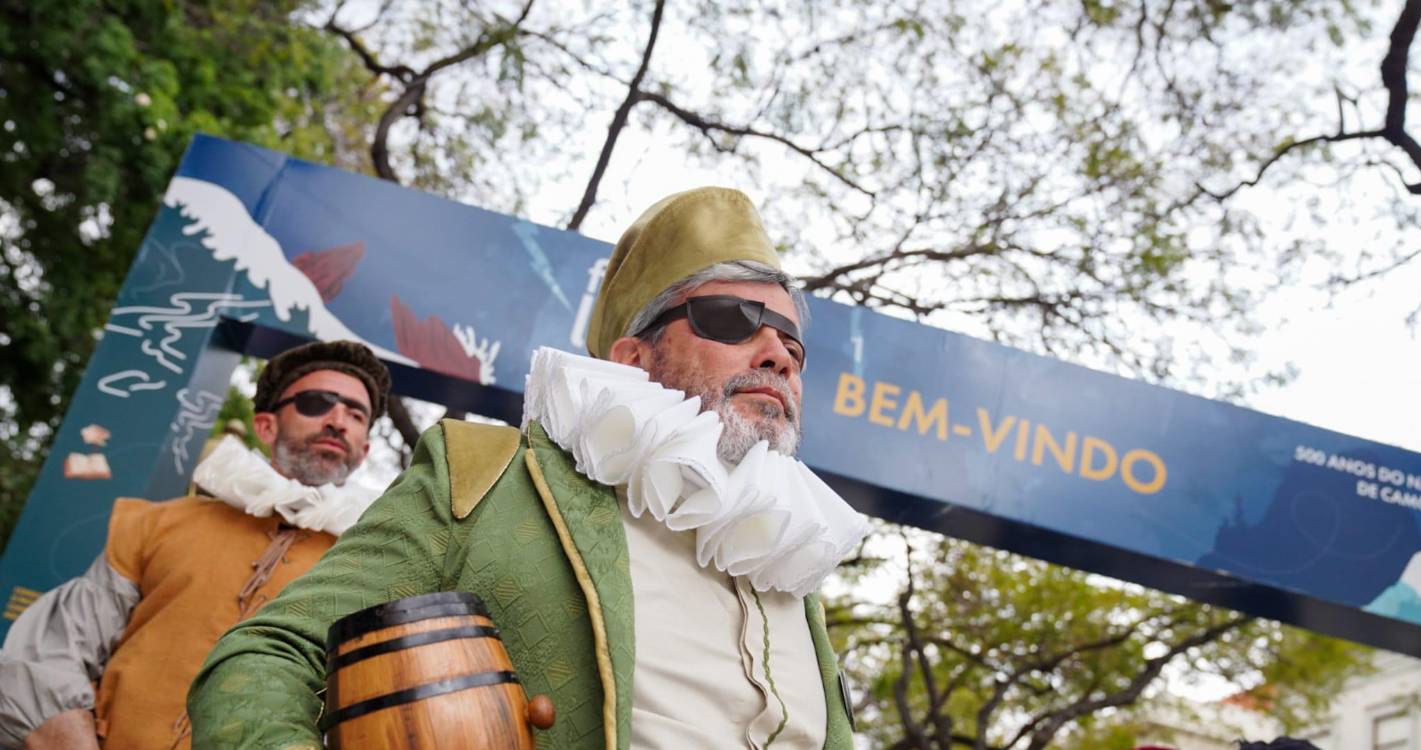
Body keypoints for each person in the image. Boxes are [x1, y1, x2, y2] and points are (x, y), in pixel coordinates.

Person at [186, 187, 870, 749]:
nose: (777, 353)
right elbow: (269, 655)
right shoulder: (484, 477)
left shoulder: (787, 555)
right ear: (631, 359)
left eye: (791, 342)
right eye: (733, 318)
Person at [0, 340, 391, 750]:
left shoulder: (373, 569)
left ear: (364, 449)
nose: (337, 420)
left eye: (355, 413)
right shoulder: (156, 524)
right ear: (266, 426)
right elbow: (50, 656)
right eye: (316, 403)